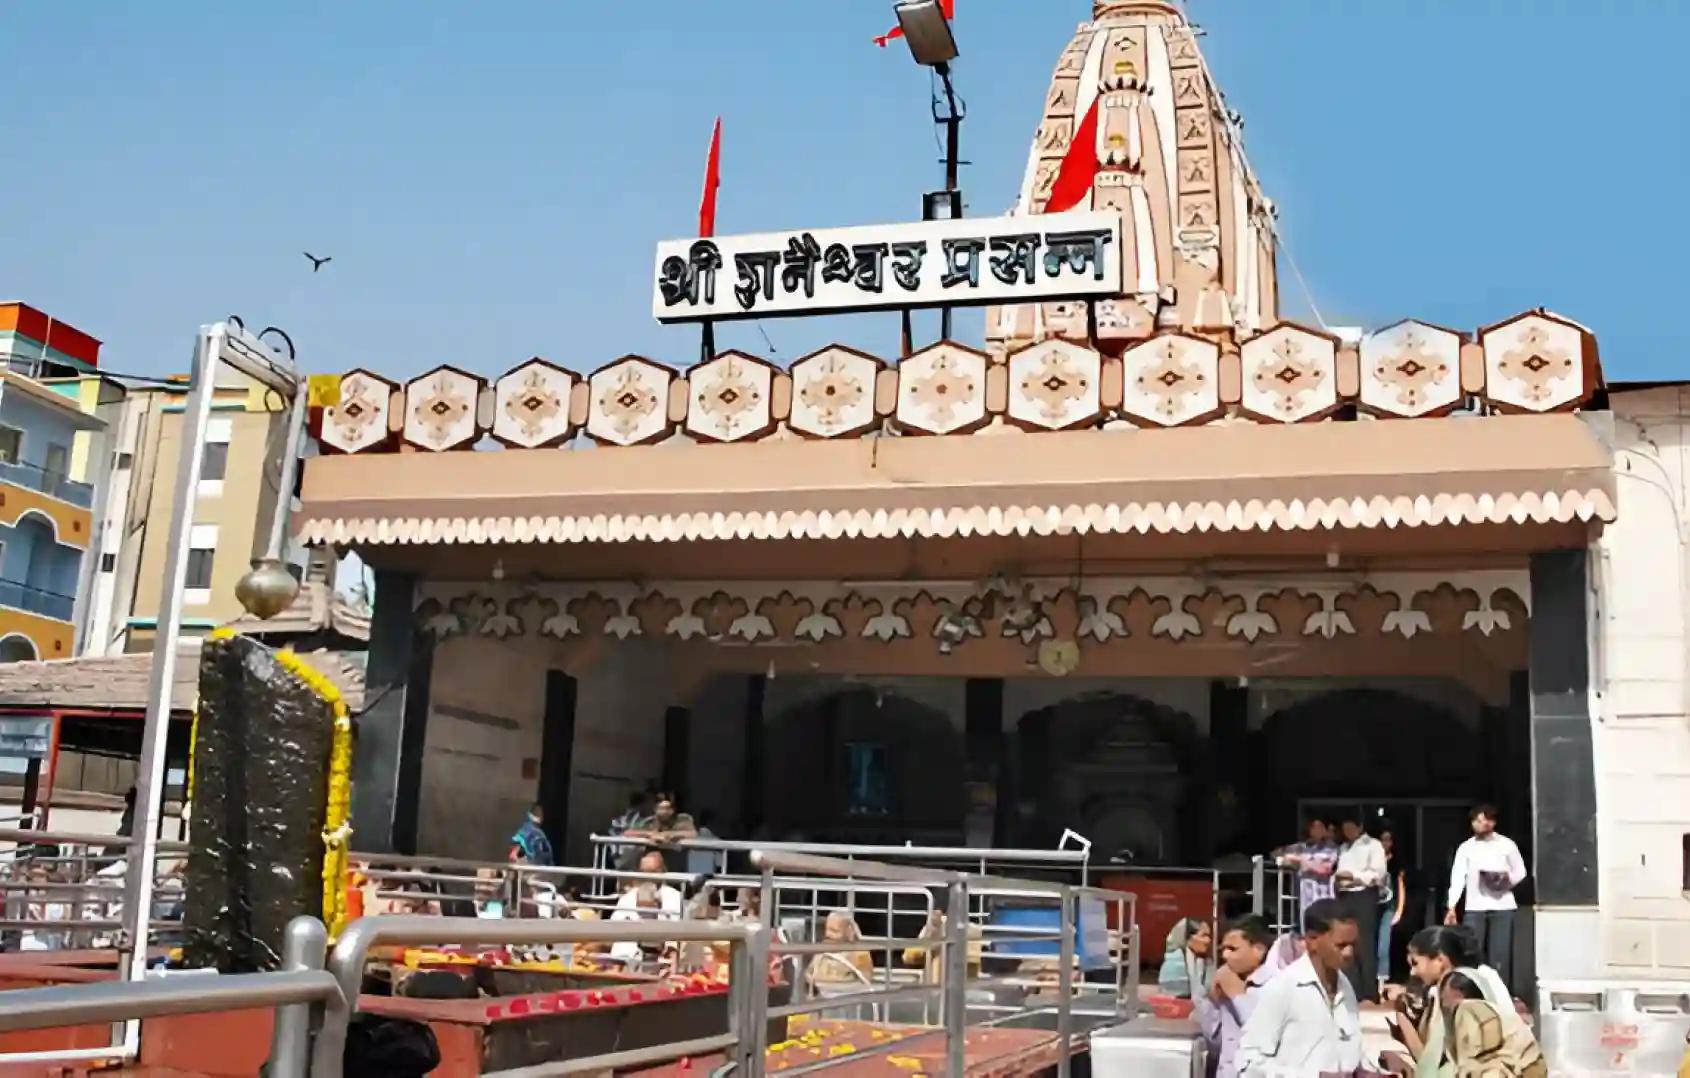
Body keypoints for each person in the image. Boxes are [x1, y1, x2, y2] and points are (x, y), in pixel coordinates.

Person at [1236, 898, 1363, 1077]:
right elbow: (1248, 1062)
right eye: (1341, 945)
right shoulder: (1284, 987)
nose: (1349, 953)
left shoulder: (1346, 987)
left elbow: (1351, 1053)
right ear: (1312, 940)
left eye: (1353, 945)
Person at [1444, 805, 1526, 995]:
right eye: (1476, 821)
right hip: (1475, 906)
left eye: (1484, 820)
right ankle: (1473, 993)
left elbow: (1520, 871)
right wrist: (1451, 905)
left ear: (1493, 822)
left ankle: (1500, 995)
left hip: (1503, 905)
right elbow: (1458, 877)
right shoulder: (1466, 847)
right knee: (1472, 951)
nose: (1480, 824)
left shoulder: (1506, 844)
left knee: (1500, 954)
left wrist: (1504, 882)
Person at [1195, 914, 1275, 1078]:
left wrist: (1236, 994)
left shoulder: (1277, 984)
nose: (1225, 956)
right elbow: (1215, 1041)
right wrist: (1212, 1001)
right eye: (1223, 949)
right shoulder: (1228, 982)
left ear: (1258, 950)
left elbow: (1265, 1033)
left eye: (1233, 949)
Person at [1335, 813, 1388, 1002]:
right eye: (1344, 828)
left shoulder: (1373, 845)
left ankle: (1369, 992)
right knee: (1347, 942)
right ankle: (1352, 989)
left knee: (1365, 943)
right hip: (1345, 895)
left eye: (1350, 827)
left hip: (1364, 895)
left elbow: (1378, 873)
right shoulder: (1343, 848)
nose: (1347, 832)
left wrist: (1354, 876)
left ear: (1359, 827)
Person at [1274, 818, 1339, 928]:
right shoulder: (1300, 847)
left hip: (1324, 896)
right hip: (1305, 897)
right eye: (1314, 827)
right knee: (1306, 929)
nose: (1317, 830)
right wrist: (1288, 859)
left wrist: (1299, 860)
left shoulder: (1331, 848)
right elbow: (1276, 854)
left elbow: (1325, 868)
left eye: (1320, 827)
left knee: (1324, 927)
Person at [808, 909, 874, 986]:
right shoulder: (820, 951)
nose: (828, 934)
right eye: (827, 929)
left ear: (849, 931)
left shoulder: (860, 953)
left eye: (834, 931)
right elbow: (808, 974)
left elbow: (865, 982)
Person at [1379, 825, 1407, 990]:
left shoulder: (1396, 862)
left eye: (1388, 840)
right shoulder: (1372, 859)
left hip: (1389, 906)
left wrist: (1400, 909)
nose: (1385, 843)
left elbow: (1400, 886)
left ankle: (1382, 981)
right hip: (1371, 906)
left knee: (1384, 944)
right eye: (1382, 839)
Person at [1157, 917, 1214, 999]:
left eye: (1209, 936)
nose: (1208, 940)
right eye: (1203, 936)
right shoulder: (1175, 963)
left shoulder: (1207, 963)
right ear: (1188, 939)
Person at [615, 851, 683, 918]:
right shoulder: (627, 898)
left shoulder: (675, 897)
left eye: (652, 872)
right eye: (644, 872)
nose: (648, 876)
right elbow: (616, 922)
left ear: (662, 871)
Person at [609, 790, 651, 863]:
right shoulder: (624, 820)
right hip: (627, 854)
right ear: (643, 804)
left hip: (620, 856)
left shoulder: (619, 819)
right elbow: (625, 833)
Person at [686, 810, 719, 877]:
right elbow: (719, 844)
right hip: (704, 868)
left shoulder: (704, 832)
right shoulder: (705, 832)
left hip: (696, 869)